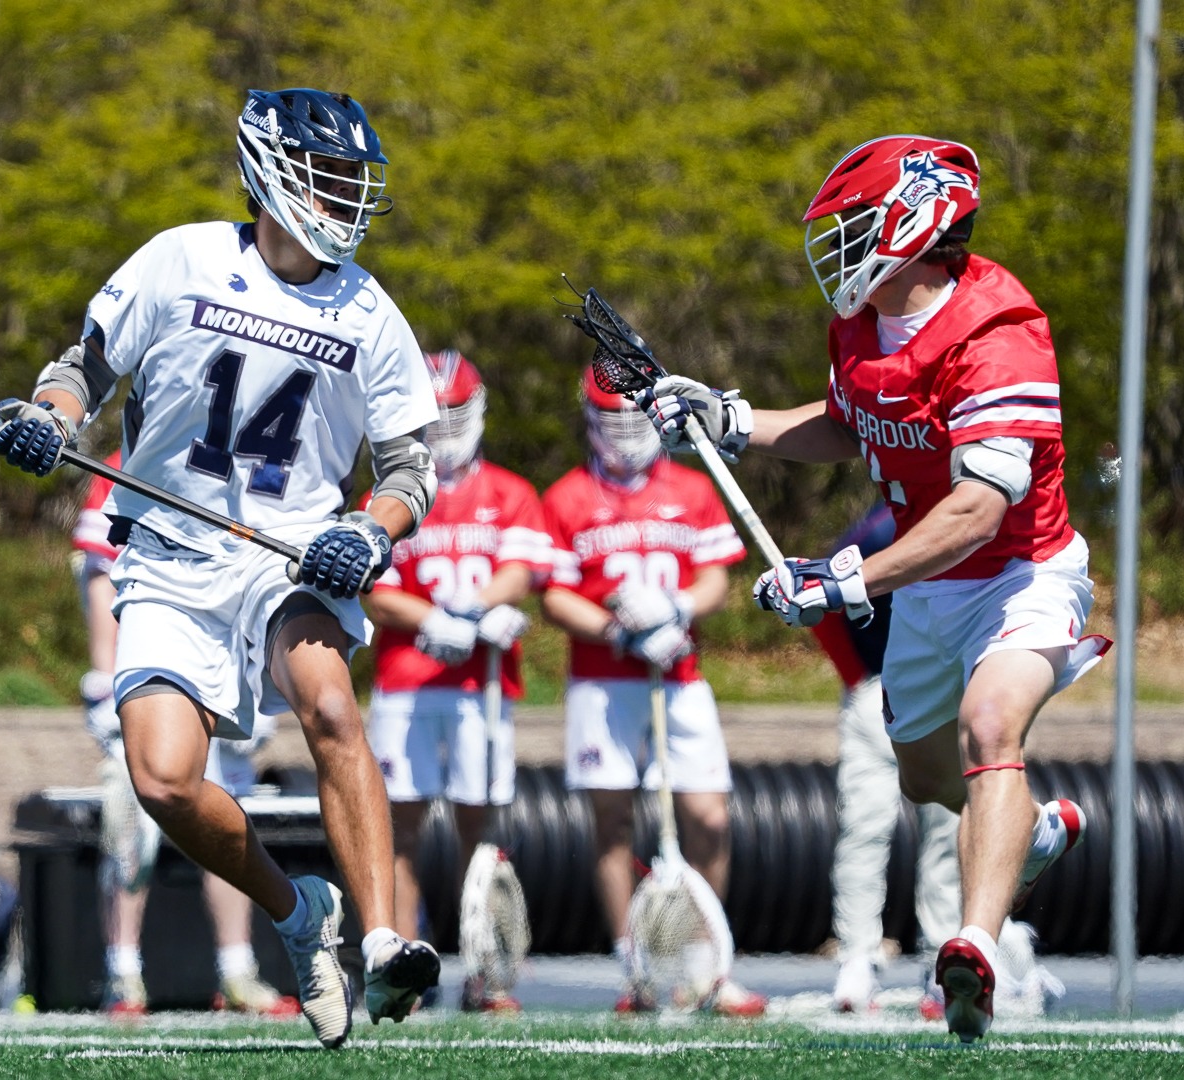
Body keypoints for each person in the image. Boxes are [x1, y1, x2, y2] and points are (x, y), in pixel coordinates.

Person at [0, 88, 442, 1049]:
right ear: (271, 174)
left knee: (327, 701)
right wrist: (51, 419)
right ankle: (296, 914)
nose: (346, 196)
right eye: (329, 173)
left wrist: (371, 532)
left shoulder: (369, 310)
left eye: (356, 179)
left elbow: (409, 468)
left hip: (291, 554)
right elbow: (83, 367)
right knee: (160, 781)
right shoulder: (183, 257)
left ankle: (383, 936)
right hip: (167, 553)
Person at [636, 135, 1107, 1041]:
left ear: (915, 221)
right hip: (932, 589)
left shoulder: (999, 329)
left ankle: (974, 945)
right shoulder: (863, 325)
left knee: (990, 727)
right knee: (930, 780)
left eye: (856, 223)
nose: (842, 244)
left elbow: (975, 510)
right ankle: (1035, 830)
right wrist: (731, 421)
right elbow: (852, 424)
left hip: (1020, 570)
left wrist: (848, 577)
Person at [540, 369, 766, 1018]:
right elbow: (555, 594)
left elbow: (716, 581)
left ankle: (707, 964)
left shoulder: (692, 491)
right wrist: (617, 629)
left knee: (709, 817)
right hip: (604, 684)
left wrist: (671, 610)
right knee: (612, 823)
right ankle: (634, 966)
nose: (624, 436)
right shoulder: (569, 497)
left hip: (680, 675)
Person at [75, 451, 299, 1018]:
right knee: (131, 828)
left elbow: (262, 574)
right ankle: (121, 972)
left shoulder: (244, 456)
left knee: (227, 824)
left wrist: (259, 677)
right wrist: (107, 673)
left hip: (220, 663)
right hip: (151, 665)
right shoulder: (125, 462)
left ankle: (238, 969)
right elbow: (101, 573)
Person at [362, 350, 553, 1013]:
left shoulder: (510, 493)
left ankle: (486, 972)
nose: (443, 428)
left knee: (483, 828)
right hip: (407, 684)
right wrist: (432, 618)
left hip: (480, 687)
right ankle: (404, 972)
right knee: (401, 831)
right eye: (431, 415)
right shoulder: (392, 491)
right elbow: (373, 588)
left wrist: (470, 615)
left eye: (454, 414)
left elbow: (522, 571)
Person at [812, 503, 960, 1014]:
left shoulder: (971, 516)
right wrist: (858, 679)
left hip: (947, 691)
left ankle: (945, 956)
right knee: (864, 825)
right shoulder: (876, 533)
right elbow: (827, 602)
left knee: (948, 828)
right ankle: (856, 955)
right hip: (879, 689)